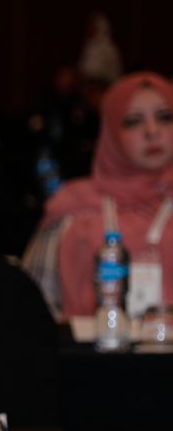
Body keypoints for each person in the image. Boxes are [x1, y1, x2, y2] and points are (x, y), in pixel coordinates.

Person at [23, 72, 173, 319]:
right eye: (133, 121)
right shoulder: (73, 207)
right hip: (88, 343)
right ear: (111, 133)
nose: (152, 131)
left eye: (165, 117)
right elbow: (30, 305)